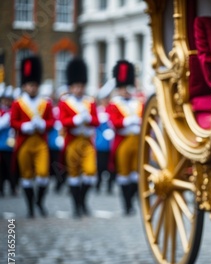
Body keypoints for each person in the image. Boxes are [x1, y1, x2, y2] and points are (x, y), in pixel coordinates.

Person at [10, 56, 55, 217]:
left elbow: (51, 121)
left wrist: (43, 124)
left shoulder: (46, 103)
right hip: (24, 143)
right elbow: (13, 121)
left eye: (35, 85)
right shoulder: (18, 103)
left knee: (43, 174)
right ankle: (30, 207)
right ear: (24, 86)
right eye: (30, 85)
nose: (33, 88)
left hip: (40, 142)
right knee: (27, 176)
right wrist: (24, 126)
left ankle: (39, 201)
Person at [59, 58, 99, 217]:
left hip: (86, 142)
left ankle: (82, 200)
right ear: (71, 87)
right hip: (72, 141)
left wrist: (88, 119)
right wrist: (75, 120)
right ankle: (76, 205)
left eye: (81, 86)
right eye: (75, 86)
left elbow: (96, 121)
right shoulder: (65, 102)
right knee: (74, 174)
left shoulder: (90, 102)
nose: (78, 89)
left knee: (90, 172)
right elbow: (62, 121)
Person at [107, 60, 142, 215]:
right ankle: (126, 204)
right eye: (122, 88)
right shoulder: (114, 104)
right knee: (123, 174)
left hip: (137, 141)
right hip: (122, 141)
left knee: (136, 175)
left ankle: (131, 201)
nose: (125, 90)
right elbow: (113, 123)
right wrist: (126, 121)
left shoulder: (138, 102)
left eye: (126, 87)